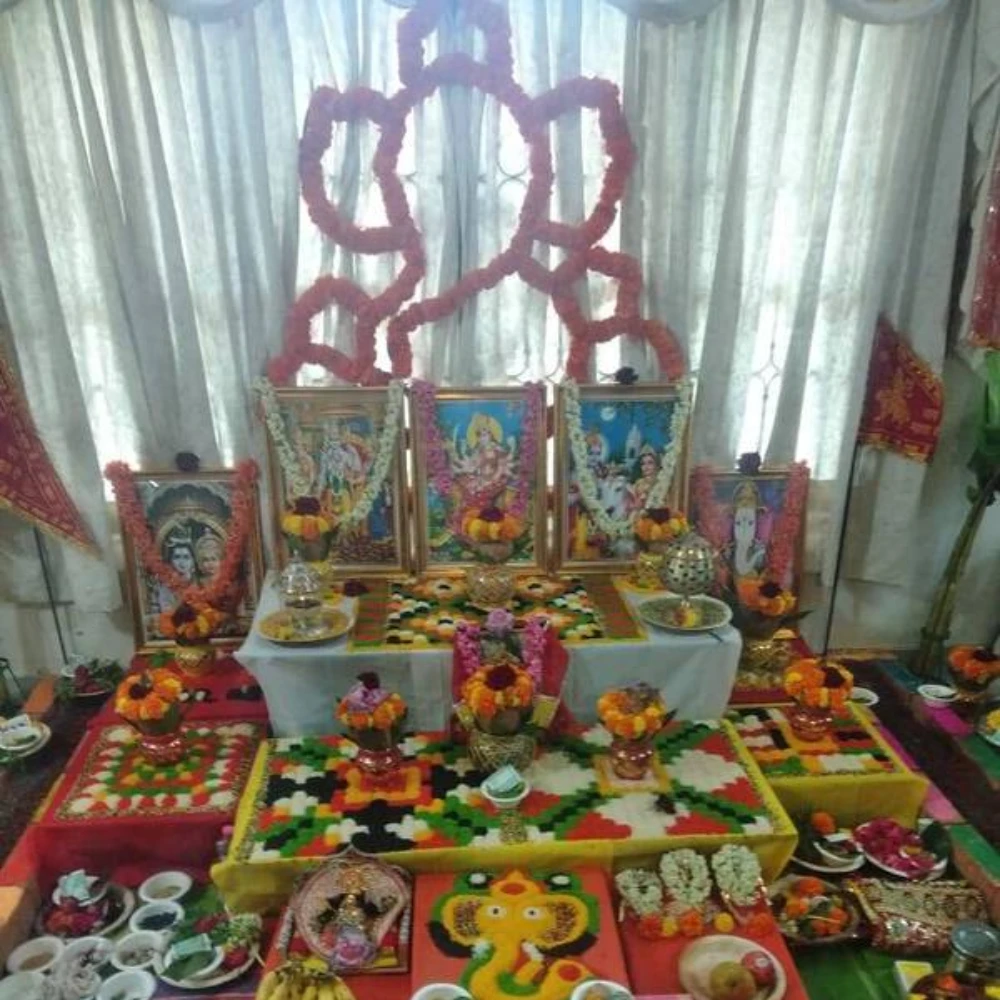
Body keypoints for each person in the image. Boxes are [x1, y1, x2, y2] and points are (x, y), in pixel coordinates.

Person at [729, 479, 768, 582]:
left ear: (757, 507)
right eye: (740, 499)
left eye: (750, 499)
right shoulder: (726, 551)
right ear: (734, 507)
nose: (745, 503)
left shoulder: (762, 551)